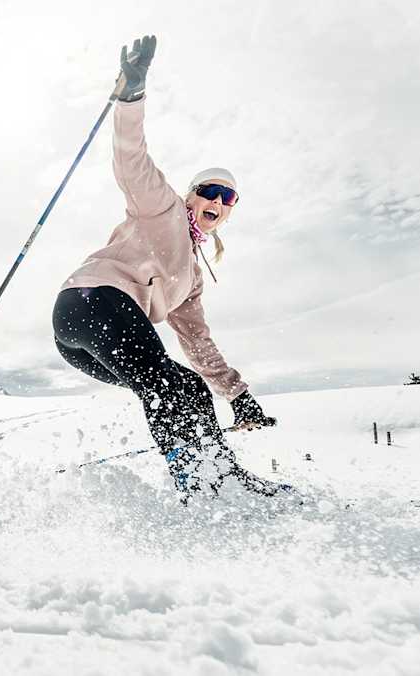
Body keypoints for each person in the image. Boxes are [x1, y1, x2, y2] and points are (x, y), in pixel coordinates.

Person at [52, 36, 284, 500]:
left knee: (189, 386)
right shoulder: (161, 208)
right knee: (165, 382)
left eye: (228, 197)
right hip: (92, 302)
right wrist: (131, 96)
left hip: (85, 345)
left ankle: (219, 477)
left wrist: (238, 396)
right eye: (209, 191)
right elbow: (131, 159)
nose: (217, 200)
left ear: (230, 211)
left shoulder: (191, 280)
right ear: (191, 195)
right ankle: (200, 483)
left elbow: (198, 343)